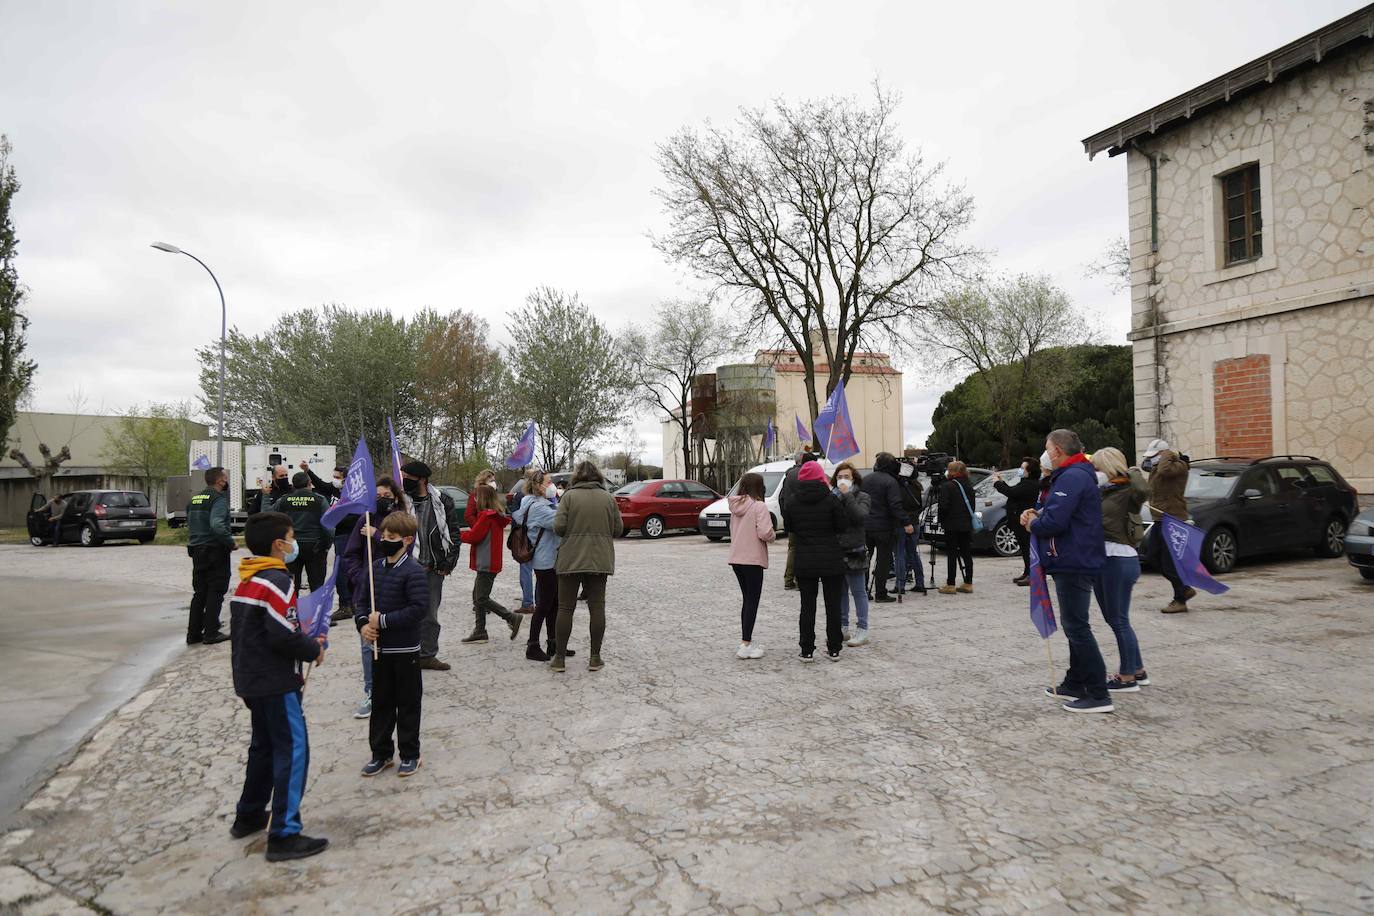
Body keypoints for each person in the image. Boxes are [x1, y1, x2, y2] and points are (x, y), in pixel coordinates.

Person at [227, 511, 328, 861]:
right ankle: (284, 833)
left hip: (251, 679)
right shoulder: (277, 582)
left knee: (264, 747)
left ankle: (250, 813)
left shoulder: (248, 578)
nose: (294, 543)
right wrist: (312, 648)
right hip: (275, 681)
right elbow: (282, 635)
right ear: (279, 544)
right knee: (293, 749)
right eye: (291, 537)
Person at [1023, 429, 1111, 714]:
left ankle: (1098, 693)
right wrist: (1036, 514)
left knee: (1076, 626)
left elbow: (1055, 522)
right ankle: (1075, 682)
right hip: (1073, 556)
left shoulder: (1072, 477)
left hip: (1075, 558)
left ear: (1058, 450)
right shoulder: (1072, 475)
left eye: (1047, 448)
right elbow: (1055, 512)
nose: (1046, 453)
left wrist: (1033, 524)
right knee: (1075, 624)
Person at [357, 512, 428, 779]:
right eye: (384, 536)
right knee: (381, 703)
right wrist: (363, 625)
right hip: (379, 651)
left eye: (391, 537)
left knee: (408, 704)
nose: (385, 541)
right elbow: (362, 602)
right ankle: (381, 753)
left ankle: (410, 754)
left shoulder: (414, 571)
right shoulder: (374, 568)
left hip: (405, 651)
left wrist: (383, 621)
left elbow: (418, 609)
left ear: (407, 540)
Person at [341, 477, 407, 719]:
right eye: (377, 496)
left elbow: (407, 550)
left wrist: (377, 535)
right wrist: (359, 576)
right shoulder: (365, 519)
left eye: (386, 496)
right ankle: (372, 691)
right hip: (367, 591)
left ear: (396, 497)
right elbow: (351, 554)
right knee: (368, 643)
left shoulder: (403, 521)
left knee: (396, 642)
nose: (382, 500)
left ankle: (397, 689)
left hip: (395, 591)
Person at [551, 461, 623, 673]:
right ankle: (595, 658)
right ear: (598, 476)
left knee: (565, 608)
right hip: (599, 559)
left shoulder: (568, 497)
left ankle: (559, 659)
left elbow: (558, 527)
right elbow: (618, 529)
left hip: (570, 558)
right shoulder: (608, 498)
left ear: (576, 477)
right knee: (597, 607)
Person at [1091, 447, 1150, 693]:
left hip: (1118, 558)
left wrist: (1132, 471)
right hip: (1105, 558)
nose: (1094, 471)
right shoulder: (1105, 491)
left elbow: (1144, 491)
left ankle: (1126, 676)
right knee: (1115, 618)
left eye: (1097, 467)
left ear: (1109, 468)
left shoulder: (1128, 491)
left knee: (1118, 619)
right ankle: (1137, 669)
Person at [401, 461, 461, 671]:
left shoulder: (442, 501)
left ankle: (427, 655)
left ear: (422, 479)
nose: (404, 481)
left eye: (408, 477)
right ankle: (406, 653)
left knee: (429, 616)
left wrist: (449, 561)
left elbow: (454, 533)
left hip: (432, 568)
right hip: (406, 567)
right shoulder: (400, 501)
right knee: (403, 613)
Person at [784, 459, 846, 662]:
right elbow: (842, 526)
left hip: (805, 558)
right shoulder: (831, 499)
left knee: (807, 606)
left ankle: (806, 649)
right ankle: (834, 647)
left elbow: (790, 528)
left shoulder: (792, 501)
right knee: (833, 605)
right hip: (831, 557)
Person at [514, 470, 567, 662]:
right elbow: (561, 523)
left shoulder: (539, 503)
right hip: (546, 561)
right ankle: (533, 646)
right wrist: (569, 504)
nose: (552, 485)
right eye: (548, 482)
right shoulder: (538, 507)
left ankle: (553, 643)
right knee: (544, 605)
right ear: (538, 486)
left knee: (554, 603)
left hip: (549, 559)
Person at [459, 483, 522, 644]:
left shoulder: (486, 516)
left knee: (481, 598)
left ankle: (510, 617)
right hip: (489, 561)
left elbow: (474, 536)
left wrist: (457, 535)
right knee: (477, 596)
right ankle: (480, 631)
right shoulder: (495, 515)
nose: (474, 500)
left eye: (476, 497)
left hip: (486, 562)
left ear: (482, 499)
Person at [1142, 438, 1196, 614]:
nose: (1153, 458)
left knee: (1168, 562)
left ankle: (1180, 599)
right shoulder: (1160, 466)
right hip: (1159, 517)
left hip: (1172, 518)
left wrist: (1168, 454)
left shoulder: (1178, 466)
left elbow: (1165, 470)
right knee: (1153, 557)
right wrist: (1153, 458)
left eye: (1156, 455)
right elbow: (1145, 466)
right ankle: (1184, 589)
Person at [303, 463, 361, 624]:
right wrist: (308, 471)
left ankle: (347, 605)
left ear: (346, 479)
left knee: (343, 571)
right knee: (342, 570)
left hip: (348, 534)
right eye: (333, 476)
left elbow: (356, 515)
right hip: (338, 534)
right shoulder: (334, 489)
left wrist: (334, 519)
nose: (334, 480)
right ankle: (349, 603)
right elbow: (321, 484)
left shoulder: (354, 493)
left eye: (337, 477)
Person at [727, 471, 777, 659]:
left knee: (747, 600)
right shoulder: (759, 506)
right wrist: (772, 534)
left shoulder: (735, 506)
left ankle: (745, 641)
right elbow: (765, 533)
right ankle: (745, 644)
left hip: (736, 558)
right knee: (752, 601)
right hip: (753, 559)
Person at [186, 466, 235, 645]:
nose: (226, 481)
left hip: (197, 550)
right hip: (215, 550)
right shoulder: (218, 500)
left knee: (200, 592)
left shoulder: (194, 499)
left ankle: (193, 633)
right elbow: (217, 525)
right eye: (225, 478)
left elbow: (191, 522)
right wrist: (230, 542)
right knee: (216, 590)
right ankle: (211, 632)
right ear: (220, 481)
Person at [860, 452, 912, 604]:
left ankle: (863, 591)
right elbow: (895, 505)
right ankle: (880, 593)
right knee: (883, 560)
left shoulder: (865, 479)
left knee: (865, 559)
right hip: (883, 527)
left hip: (865, 525)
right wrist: (906, 522)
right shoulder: (891, 481)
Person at [831, 463, 873, 647]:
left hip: (855, 550)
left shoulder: (863, 496)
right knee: (840, 592)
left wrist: (847, 495)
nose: (842, 480)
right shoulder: (832, 497)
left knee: (858, 592)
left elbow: (860, 516)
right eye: (839, 477)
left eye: (846, 476)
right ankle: (843, 627)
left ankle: (863, 629)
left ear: (854, 478)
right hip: (836, 550)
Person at [270, 472, 331, 595]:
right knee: (317, 586)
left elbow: (270, 517)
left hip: (291, 547)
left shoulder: (284, 500)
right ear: (309, 483)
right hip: (315, 547)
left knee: (291, 586)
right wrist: (326, 545)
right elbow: (328, 526)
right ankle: (316, 607)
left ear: (293, 485)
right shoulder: (319, 500)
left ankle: (292, 607)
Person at [994, 458, 1043, 586]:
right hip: (1017, 520)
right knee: (1024, 547)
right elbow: (1013, 491)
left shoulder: (1030, 484)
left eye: (1022, 468)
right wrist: (1002, 482)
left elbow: (1011, 492)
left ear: (1029, 471)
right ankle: (1027, 572)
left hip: (1024, 520)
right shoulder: (1024, 482)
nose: (1020, 470)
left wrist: (998, 484)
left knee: (1027, 548)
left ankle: (1031, 574)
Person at [499, 469, 538, 614]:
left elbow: (516, 517)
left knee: (525, 571)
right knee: (540, 572)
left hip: (525, 538)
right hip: (540, 537)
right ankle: (537, 601)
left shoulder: (520, 495)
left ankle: (528, 602)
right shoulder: (541, 495)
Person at [936, 461, 977, 595]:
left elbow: (943, 506)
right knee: (966, 553)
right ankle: (968, 582)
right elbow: (972, 505)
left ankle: (951, 584)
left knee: (952, 554)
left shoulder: (947, 486)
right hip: (966, 524)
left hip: (951, 524)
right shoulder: (968, 485)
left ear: (952, 471)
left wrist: (941, 520)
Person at [777, 449, 813, 590]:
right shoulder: (807, 474)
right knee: (803, 548)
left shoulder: (789, 475)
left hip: (791, 517)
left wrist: (785, 515)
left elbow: (781, 497)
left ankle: (788, 579)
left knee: (792, 548)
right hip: (804, 518)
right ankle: (800, 579)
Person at [895, 465, 927, 594]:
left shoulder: (898, 487)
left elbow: (897, 506)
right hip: (914, 522)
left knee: (899, 554)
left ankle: (900, 585)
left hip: (901, 523)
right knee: (912, 553)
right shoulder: (917, 486)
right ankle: (920, 582)